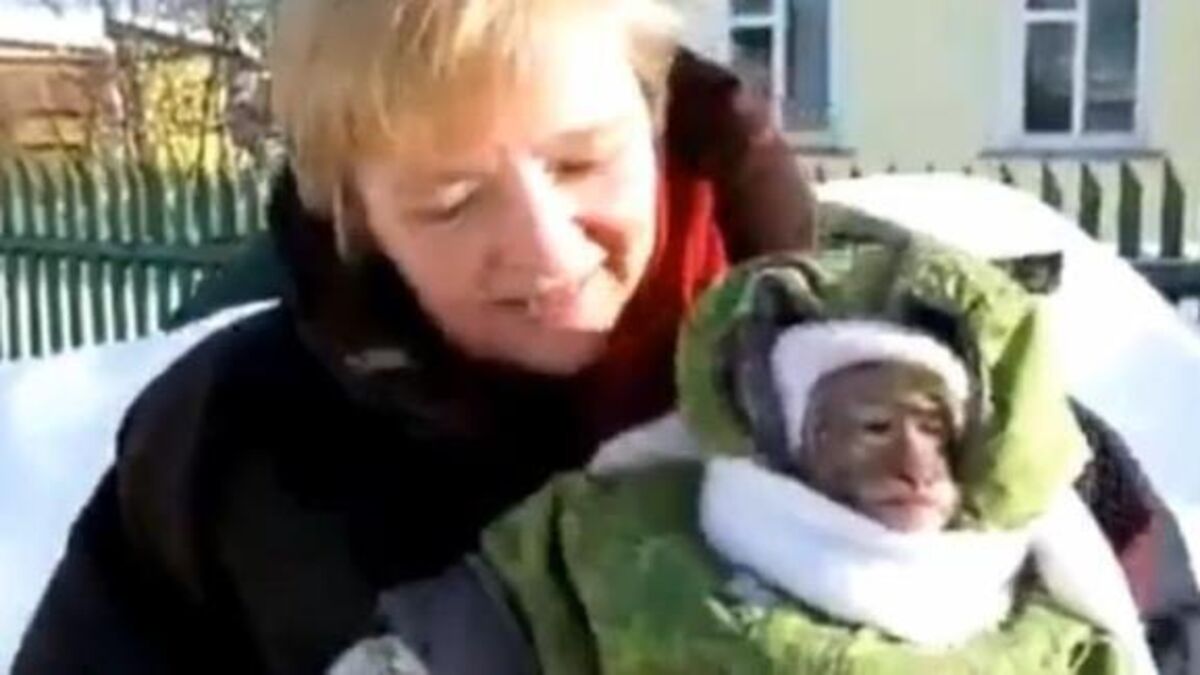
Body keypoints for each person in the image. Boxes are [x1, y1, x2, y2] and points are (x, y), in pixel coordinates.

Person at [13, 0, 815, 672]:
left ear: (655, 115)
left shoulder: (851, 360)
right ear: (355, 216)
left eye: (580, 162)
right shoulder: (229, 445)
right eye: (452, 202)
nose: (546, 248)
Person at [351, 246, 1153, 675]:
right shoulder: (625, 540)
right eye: (874, 427)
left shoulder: (1052, 620)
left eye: (934, 430)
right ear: (792, 437)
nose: (915, 461)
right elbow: (468, 636)